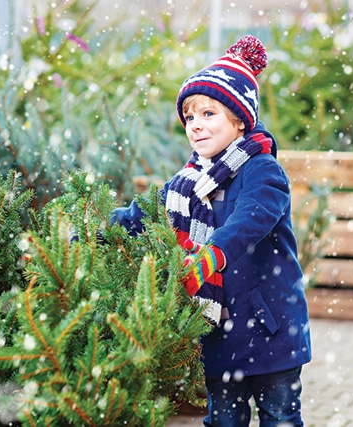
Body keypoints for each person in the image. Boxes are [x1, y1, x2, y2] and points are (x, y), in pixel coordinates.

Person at [111, 35, 311, 427]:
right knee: (223, 420)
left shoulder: (262, 171)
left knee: (280, 417)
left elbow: (249, 221)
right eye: (190, 116)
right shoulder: (187, 183)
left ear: (239, 120)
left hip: (270, 329)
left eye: (208, 114)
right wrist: (94, 229)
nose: (195, 125)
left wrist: (211, 256)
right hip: (218, 334)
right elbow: (143, 213)